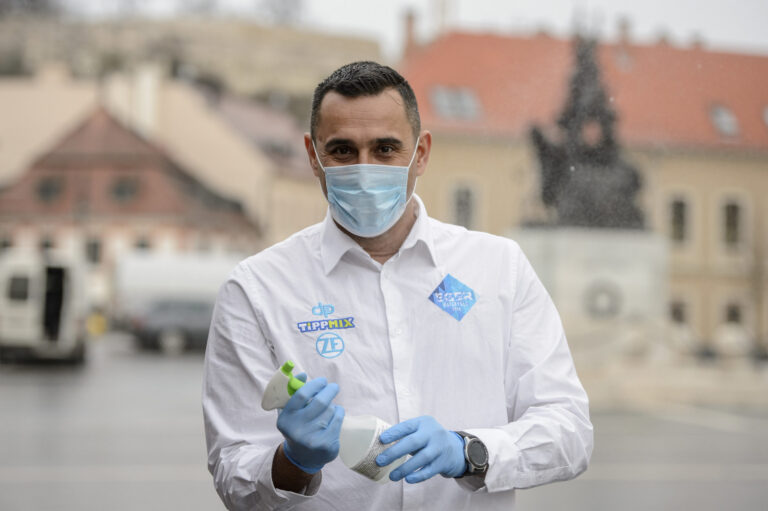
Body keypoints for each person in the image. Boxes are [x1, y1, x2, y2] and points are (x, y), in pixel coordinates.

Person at [203, 61, 593, 510]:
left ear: (421, 153)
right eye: (343, 150)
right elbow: (233, 470)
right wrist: (293, 463)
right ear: (313, 156)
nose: (364, 169)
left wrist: (470, 451)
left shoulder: (498, 268)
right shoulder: (256, 290)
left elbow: (569, 430)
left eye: (386, 149)